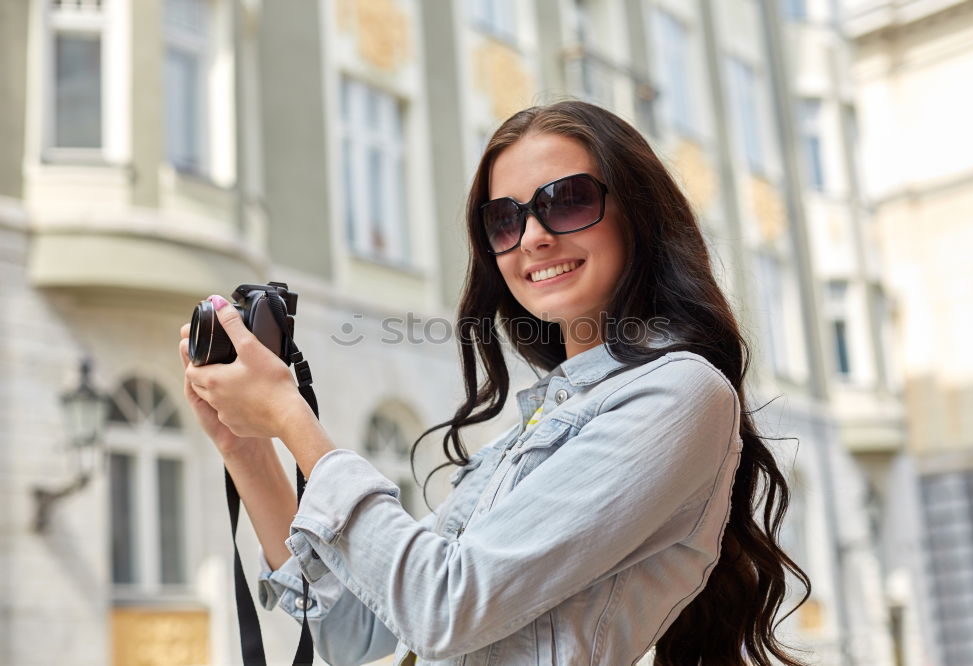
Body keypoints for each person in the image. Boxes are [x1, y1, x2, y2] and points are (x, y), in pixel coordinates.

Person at [179, 100, 810, 666]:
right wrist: (249, 447)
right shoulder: (532, 429)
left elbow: (444, 609)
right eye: (504, 220)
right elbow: (353, 633)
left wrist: (292, 417)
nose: (533, 237)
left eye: (567, 201)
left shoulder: (680, 395)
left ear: (636, 216)